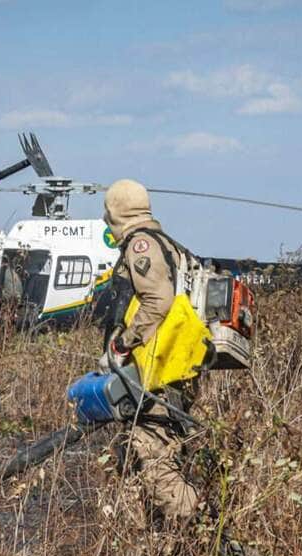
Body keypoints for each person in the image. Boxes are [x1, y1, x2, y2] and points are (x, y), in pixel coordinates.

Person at [101, 179, 201, 528]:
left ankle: (211, 543)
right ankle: (140, 554)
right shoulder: (166, 244)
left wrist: (122, 344)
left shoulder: (140, 245)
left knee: (157, 467)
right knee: (132, 461)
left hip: (156, 376)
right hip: (166, 372)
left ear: (116, 211)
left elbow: (158, 299)